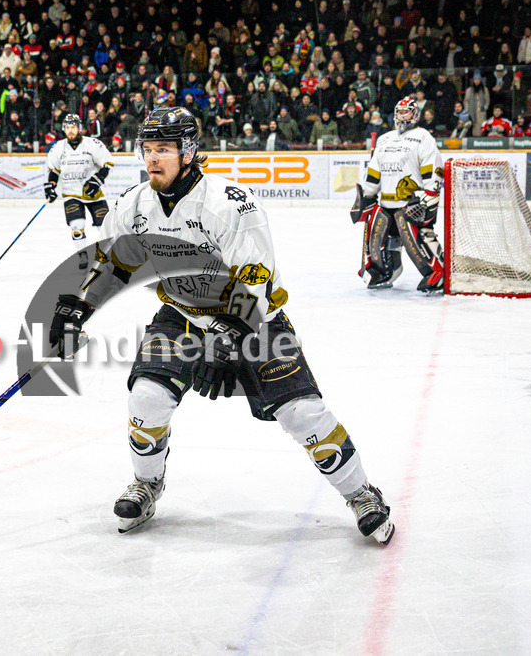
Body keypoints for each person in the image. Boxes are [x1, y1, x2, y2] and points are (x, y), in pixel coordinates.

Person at [47, 106, 394, 544]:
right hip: (184, 314)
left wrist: (226, 338)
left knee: (302, 413)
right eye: (147, 149)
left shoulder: (228, 203)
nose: (152, 159)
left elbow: (258, 281)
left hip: (253, 321)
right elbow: (110, 261)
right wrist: (77, 308)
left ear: (188, 151)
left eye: (164, 150)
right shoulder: (134, 204)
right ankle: (147, 484)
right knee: (147, 396)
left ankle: (361, 493)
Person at [351, 96, 444, 293]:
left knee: (415, 240)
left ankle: (435, 273)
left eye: (406, 111)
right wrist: (367, 194)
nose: (402, 116)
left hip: (411, 203)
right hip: (386, 201)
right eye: (399, 112)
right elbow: (374, 170)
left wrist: (430, 193)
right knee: (375, 235)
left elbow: (432, 169)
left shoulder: (423, 137)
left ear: (415, 114)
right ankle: (384, 270)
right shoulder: (385, 138)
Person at [45, 113, 115, 269]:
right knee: (77, 224)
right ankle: (82, 253)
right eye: (68, 128)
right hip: (71, 193)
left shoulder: (92, 144)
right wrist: (50, 186)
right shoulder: (58, 147)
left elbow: (108, 163)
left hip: (92, 193)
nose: (71, 131)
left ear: (80, 128)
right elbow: (53, 170)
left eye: (74, 127)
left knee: (104, 226)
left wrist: (96, 181)